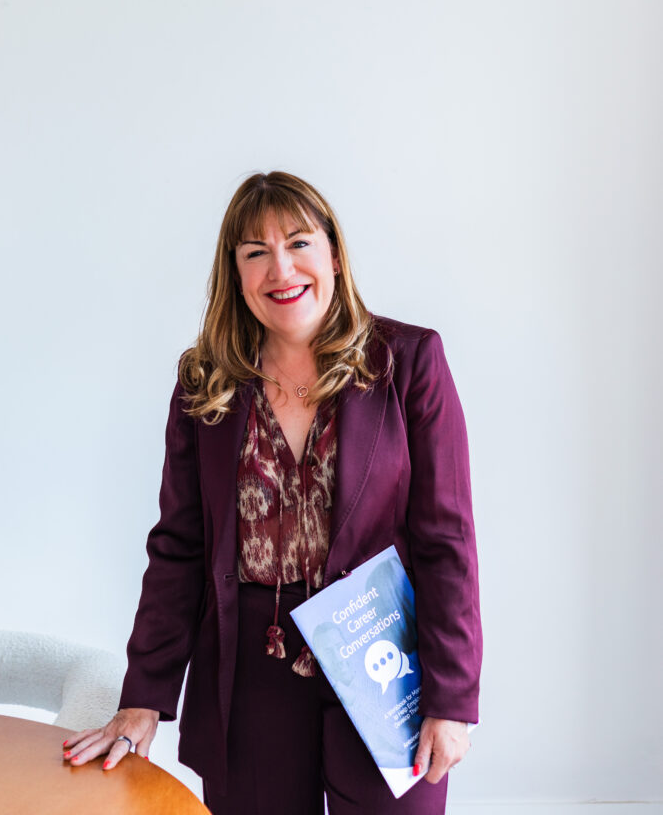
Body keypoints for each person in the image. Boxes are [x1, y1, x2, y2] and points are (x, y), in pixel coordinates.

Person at [61, 171, 483, 814]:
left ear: (333, 255)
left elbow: (446, 541)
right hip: (249, 669)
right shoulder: (206, 383)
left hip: (381, 657)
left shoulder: (408, 363)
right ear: (236, 274)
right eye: (255, 252)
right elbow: (179, 546)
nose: (280, 268)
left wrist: (451, 698)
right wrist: (144, 696)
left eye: (298, 243)